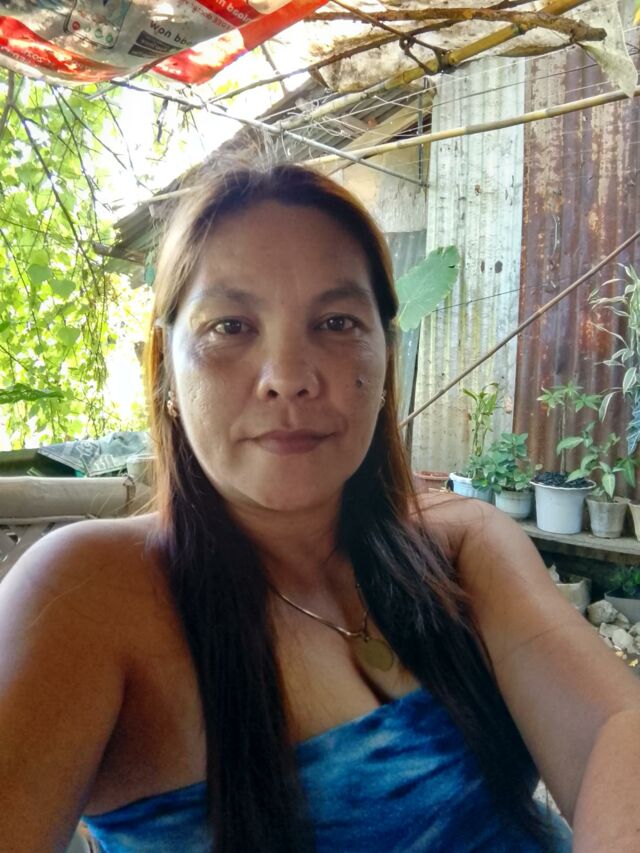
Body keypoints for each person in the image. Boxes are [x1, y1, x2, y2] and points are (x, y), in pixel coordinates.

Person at [1, 163, 639, 853]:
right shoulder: (86, 595)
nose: (289, 378)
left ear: (386, 357)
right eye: (230, 326)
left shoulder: (462, 547)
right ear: (165, 374)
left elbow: (613, 728)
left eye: (336, 322)